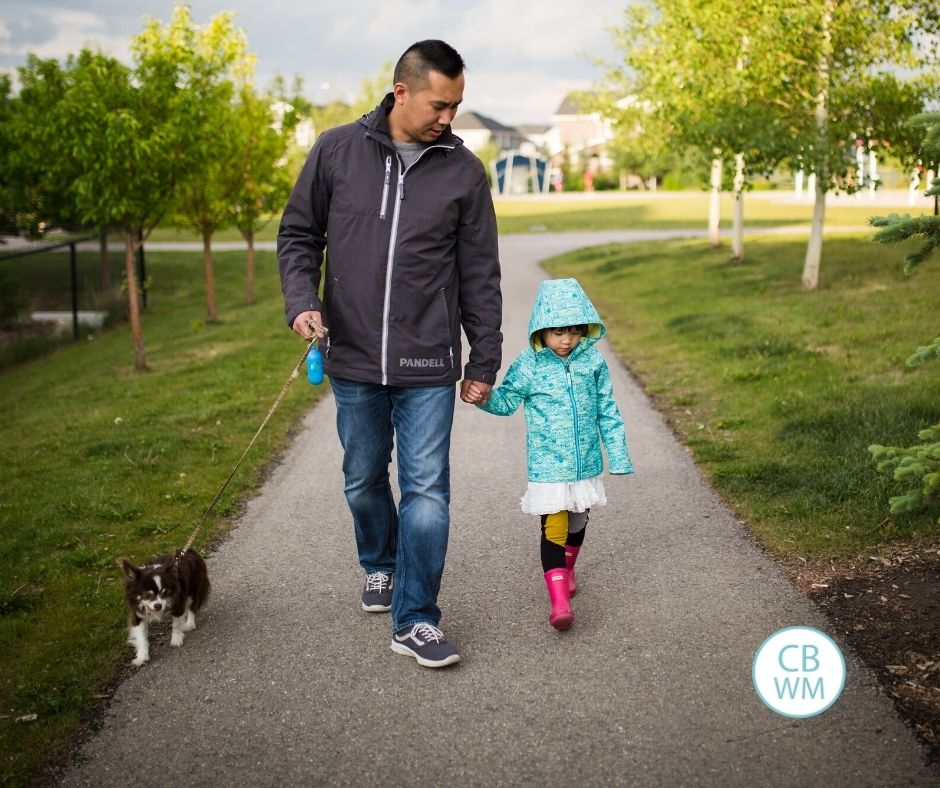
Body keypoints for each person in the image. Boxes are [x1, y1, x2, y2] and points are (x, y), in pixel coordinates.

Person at [277, 40, 502, 668]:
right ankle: (379, 561)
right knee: (363, 480)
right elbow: (298, 234)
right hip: (350, 357)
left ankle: (417, 617)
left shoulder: (463, 172)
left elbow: (480, 272)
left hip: (429, 360)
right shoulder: (335, 150)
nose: (448, 118)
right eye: (439, 104)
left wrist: (483, 359)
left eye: (457, 107)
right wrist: (302, 301)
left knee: (427, 490)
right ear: (400, 91)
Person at [472, 278, 632, 630]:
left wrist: (618, 455)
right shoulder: (529, 365)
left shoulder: (593, 363)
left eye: (574, 331)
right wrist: (483, 398)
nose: (566, 340)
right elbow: (507, 401)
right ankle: (559, 602)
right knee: (555, 526)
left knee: (579, 521)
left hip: (585, 461)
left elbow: (608, 409)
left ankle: (568, 571)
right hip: (548, 466)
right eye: (557, 331)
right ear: (541, 329)